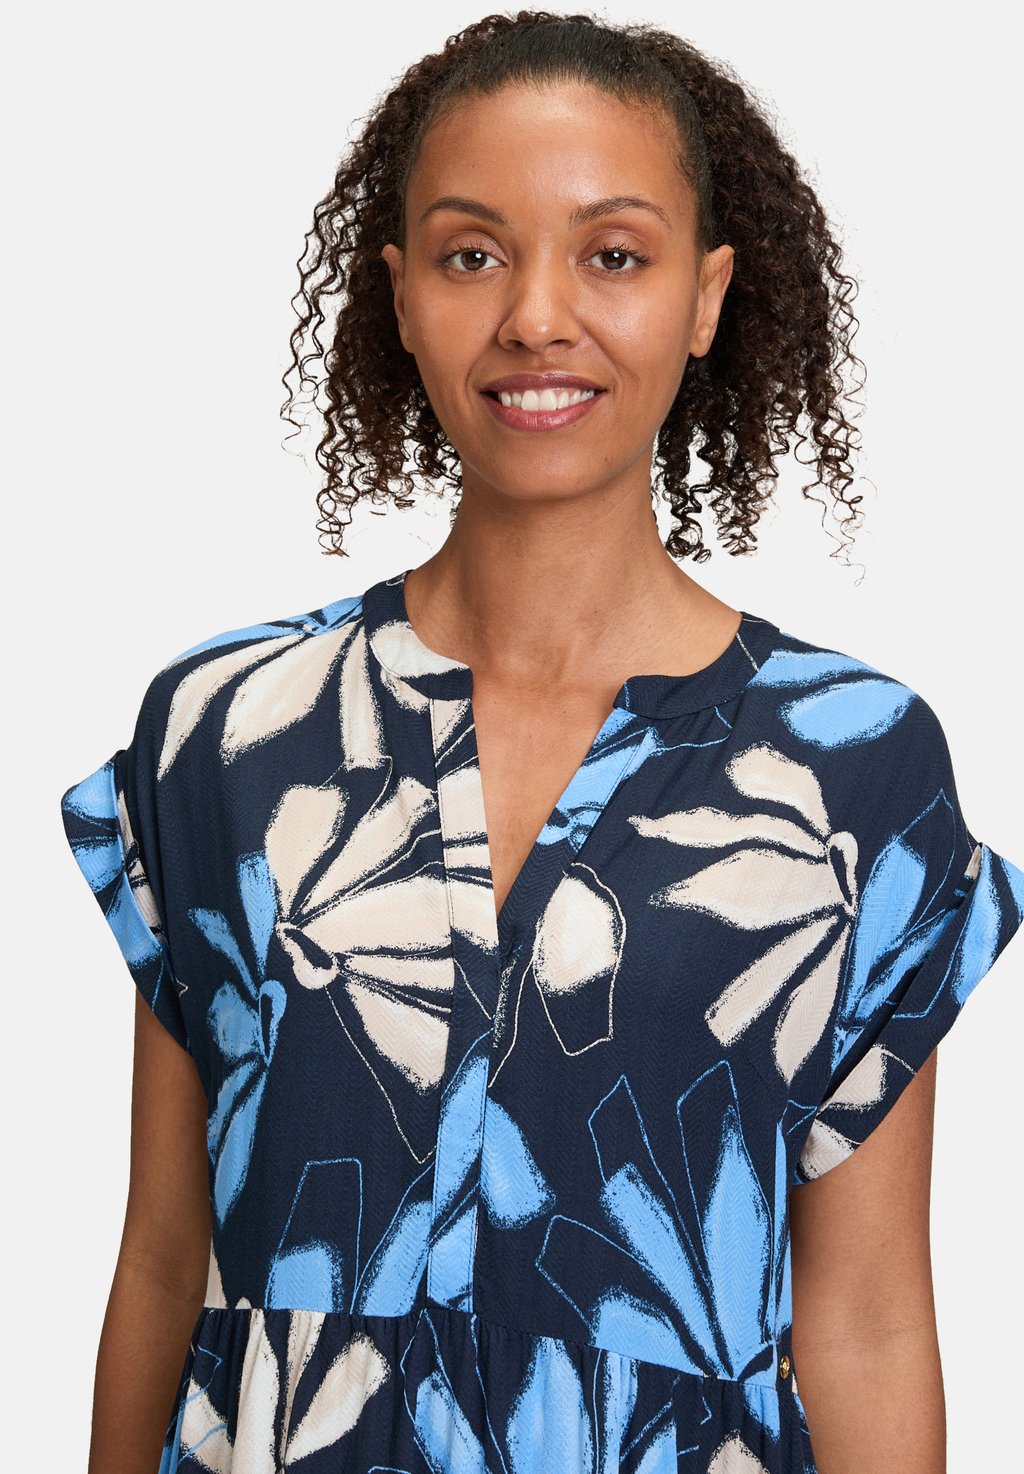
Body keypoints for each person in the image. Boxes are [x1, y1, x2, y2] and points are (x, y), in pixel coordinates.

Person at [59, 12, 1023, 1473]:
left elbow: (870, 1320)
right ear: (399, 295)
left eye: (613, 255)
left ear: (706, 297)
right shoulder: (226, 736)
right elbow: (160, 1260)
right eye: (472, 255)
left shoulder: (851, 766)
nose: (536, 316)